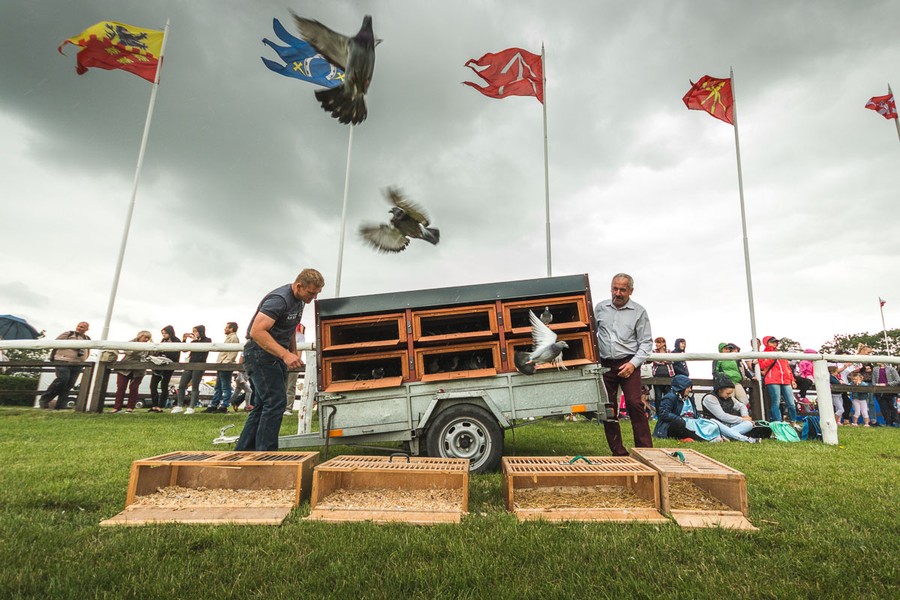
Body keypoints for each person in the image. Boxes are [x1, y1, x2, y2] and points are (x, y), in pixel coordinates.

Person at [235, 268, 325, 451]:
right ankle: (265, 454)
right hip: (259, 353)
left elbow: (290, 327)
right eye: (311, 293)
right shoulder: (279, 300)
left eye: (317, 294)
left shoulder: (299, 301)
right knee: (275, 402)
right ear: (299, 286)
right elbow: (257, 331)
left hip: (273, 354)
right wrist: (285, 354)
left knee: (263, 404)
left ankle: (243, 452)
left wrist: (292, 351)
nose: (313, 298)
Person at [594, 273, 653, 456]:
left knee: (635, 403)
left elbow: (646, 342)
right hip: (605, 364)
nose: (617, 293)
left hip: (629, 363)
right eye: (615, 288)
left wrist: (633, 364)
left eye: (623, 290)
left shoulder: (639, 311)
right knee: (609, 409)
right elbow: (590, 334)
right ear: (611, 288)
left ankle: (645, 452)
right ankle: (618, 452)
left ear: (631, 291)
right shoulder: (600, 308)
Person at [39, 321, 91, 410]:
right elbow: (55, 343)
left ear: (87, 329)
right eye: (78, 326)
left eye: (82, 327)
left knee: (69, 384)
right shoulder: (68, 334)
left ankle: (61, 404)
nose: (79, 328)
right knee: (63, 379)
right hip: (63, 360)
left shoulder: (87, 339)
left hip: (78, 363)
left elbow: (88, 349)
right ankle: (45, 399)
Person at [701, 373, 760, 443]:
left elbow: (742, 406)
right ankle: (746, 439)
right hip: (713, 425)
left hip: (727, 425)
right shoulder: (710, 398)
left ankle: (723, 436)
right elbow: (722, 416)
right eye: (728, 393)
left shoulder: (729, 398)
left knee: (749, 424)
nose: (729, 396)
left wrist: (745, 415)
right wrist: (742, 419)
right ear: (720, 390)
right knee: (714, 421)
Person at [172, 325, 211, 415]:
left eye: (196, 331)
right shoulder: (193, 341)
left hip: (199, 364)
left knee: (194, 386)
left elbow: (204, 347)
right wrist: (184, 340)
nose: (194, 333)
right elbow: (184, 350)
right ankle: (179, 405)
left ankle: (191, 407)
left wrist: (196, 340)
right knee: (181, 385)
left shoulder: (207, 340)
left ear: (201, 331)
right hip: (190, 364)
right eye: (193, 331)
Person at [758, 335, 798, 422]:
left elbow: (787, 368)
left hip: (785, 380)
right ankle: (778, 423)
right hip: (772, 380)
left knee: (791, 403)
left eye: (776, 342)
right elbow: (761, 365)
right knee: (776, 403)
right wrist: (772, 358)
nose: (775, 344)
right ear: (766, 343)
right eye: (772, 342)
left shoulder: (780, 353)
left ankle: (793, 422)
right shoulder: (762, 354)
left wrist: (792, 379)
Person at [112, 330, 152, 413]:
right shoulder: (130, 343)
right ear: (140, 336)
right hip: (124, 369)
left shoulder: (148, 346)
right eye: (145, 337)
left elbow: (147, 355)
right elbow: (130, 352)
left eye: (148, 338)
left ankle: (130, 407)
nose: (146, 340)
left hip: (139, 370)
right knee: (121, 388)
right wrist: (141, 349)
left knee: (134, 388)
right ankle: (117, 407)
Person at [206, 322, 240, 413]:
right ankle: (215, 404)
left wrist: (226, 361)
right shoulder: (230, 337)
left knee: (225, 386)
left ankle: (224, 405)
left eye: (226, 327)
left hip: (225, 364)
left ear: (231, 329)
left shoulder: (233, 338)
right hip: (222, 363)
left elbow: (233, 352)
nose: (224, 329)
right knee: (219, 386)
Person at [149, 326, 180, 412]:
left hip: (169, 365)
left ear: (170, 333)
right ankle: (154, 405)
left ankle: (160, 405)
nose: (163, 335)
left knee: (164, 385)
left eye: (165, 333)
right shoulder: (163, 341)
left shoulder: (176, 341)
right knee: (153, 385)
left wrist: (165, 352)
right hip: (160, 364)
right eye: (162, 333)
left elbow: (176, 355)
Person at [284, 323, 307, 417]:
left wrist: (296, 360)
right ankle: (282, 407)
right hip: (284, 361)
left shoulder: (300, 336)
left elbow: (300, 351)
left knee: (290, 386)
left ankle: (288, 408)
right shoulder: (285, 334)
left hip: (293, 363)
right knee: (284, 386)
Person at [871, 362, 899, 427]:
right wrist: (877, 385)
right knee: (883, 408)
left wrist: (887, 384)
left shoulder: (891, 369)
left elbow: (897, 380)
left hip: (890, 391)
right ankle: (888, 423)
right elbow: (873, 381)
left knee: (892, 407)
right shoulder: (875, 369)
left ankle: (895, 422)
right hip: (879, 391)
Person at [650, 337, 673, 414]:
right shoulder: (653, 352)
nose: (657, 344)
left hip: (668, 377)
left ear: (664, 343)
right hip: (657, 377)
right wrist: (664, 361)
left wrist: (662, 360)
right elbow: (655, 361)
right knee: (658, 396)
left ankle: (667, 412)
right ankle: (658, 413)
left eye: (659, 342)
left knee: (668, 396)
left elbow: (672, 360)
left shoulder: (669, 351)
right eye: (656, 342)